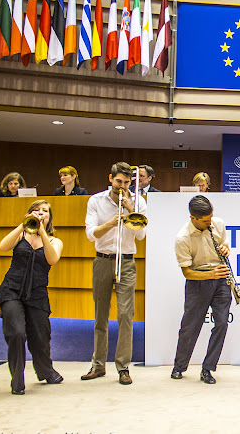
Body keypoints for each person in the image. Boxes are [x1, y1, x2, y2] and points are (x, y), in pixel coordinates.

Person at [81, 162, 147, 386]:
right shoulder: (96, 201)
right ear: (110, 178)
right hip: (102, 260)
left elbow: (141, 235)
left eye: (127, 183)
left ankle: (123, 367)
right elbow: (91, 234)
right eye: (119, 181)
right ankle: (98, 365)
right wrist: (111, 222)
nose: (123, 186)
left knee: (126, 315)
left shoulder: (138, 201)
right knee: (101, 314)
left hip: (127, 262)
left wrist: (130, 209)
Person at [0, 200, 64, 394]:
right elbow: (2, 247)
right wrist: (23, 225)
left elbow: (52, 259)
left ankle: (46, 371)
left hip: (37, 293)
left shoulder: (55, 241)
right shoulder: (21, 234)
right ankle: (17, 378)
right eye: (36, 210)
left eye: (45, 211)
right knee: (16, 332)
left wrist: (41, 233)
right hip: (11, 290)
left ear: (49, 217)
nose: (40, 214)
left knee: (40, 337)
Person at [171, 195, 232, 385]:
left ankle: (208, 368)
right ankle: (179, 366)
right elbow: (187, 272)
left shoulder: (218, 224)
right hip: (199, 280)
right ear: (193, 218)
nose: (210, 223)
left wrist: (225, 249)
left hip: (221, 278)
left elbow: (226, 245)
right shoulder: (182, 238)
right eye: (205, 221)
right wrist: (210, 275)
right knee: (190, 326)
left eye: (211, 218)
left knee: (221, 323)